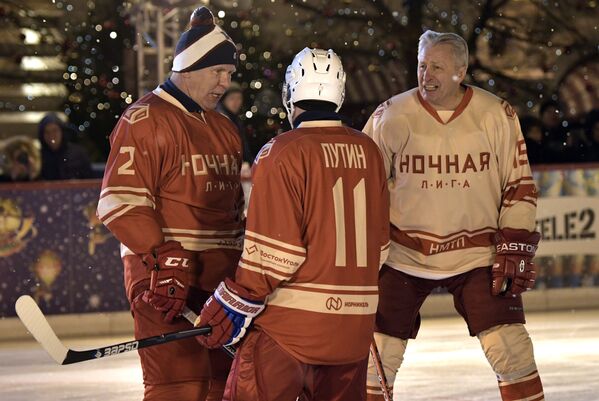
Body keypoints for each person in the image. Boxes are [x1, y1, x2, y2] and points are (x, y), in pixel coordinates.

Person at [195, 47, 390, 401]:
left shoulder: (281, 151)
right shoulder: (369, 151)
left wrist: (235, 299)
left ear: (290, 95)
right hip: (354, 327)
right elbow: (380, 247)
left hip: (291, 329)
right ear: (340, 93)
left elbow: (273, 252)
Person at [363, 30, 544, 401]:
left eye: (437, 68)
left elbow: (519, 184)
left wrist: (516, 241)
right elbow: (364, 189)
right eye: (422, 65)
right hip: (403, 253)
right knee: (374, 358)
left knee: (511, 350)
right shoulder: (390, 115)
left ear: (461, 71)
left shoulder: (496, 114)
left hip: (477, 253)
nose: (426, 75)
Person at [96, 7, 244, 401]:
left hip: (221, 285)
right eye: (218, 72)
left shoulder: (225, 129)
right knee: (178, 389)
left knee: (225, 387)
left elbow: (234, 213)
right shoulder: (144, 118)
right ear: (191, 66)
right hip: (165, 280)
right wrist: (163, 258)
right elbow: (119, 202)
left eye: (229, 74)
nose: (225, 83)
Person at [38, 113, 93, 180]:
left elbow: (88, 179)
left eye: (55, 130)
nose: (51, 135)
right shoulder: (38, 157)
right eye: (47, 132)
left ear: (62, 131)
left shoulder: (79, 154)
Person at [216, 82, 254, 164]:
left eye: (239, 98)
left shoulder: (235, 119)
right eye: (232, 98)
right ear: (224, 100)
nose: (236, 102)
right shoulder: (221, 120)